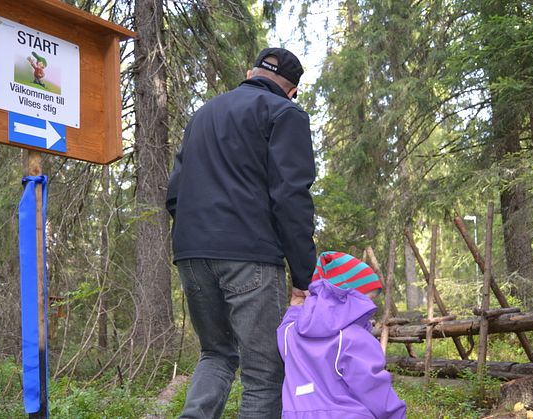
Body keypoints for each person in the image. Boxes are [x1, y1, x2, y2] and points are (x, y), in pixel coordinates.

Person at [165, 47, 317, 418]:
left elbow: (174, 195)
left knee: (215, 354)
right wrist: (303, 275)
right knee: (264, 372)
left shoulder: (202, 115)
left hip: (191, 253)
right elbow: (291, 197)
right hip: (249, 254)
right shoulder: (286, 113)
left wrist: (199, 236)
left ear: (250, 75)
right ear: (293, 90)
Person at [277, 251, 407, 418]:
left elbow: (284, 329)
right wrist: (396, 414)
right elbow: (371, 386)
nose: (370, 306)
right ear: (347, 297)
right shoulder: (353, 337)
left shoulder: (291, 334)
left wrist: (295, 307)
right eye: (368, 299)